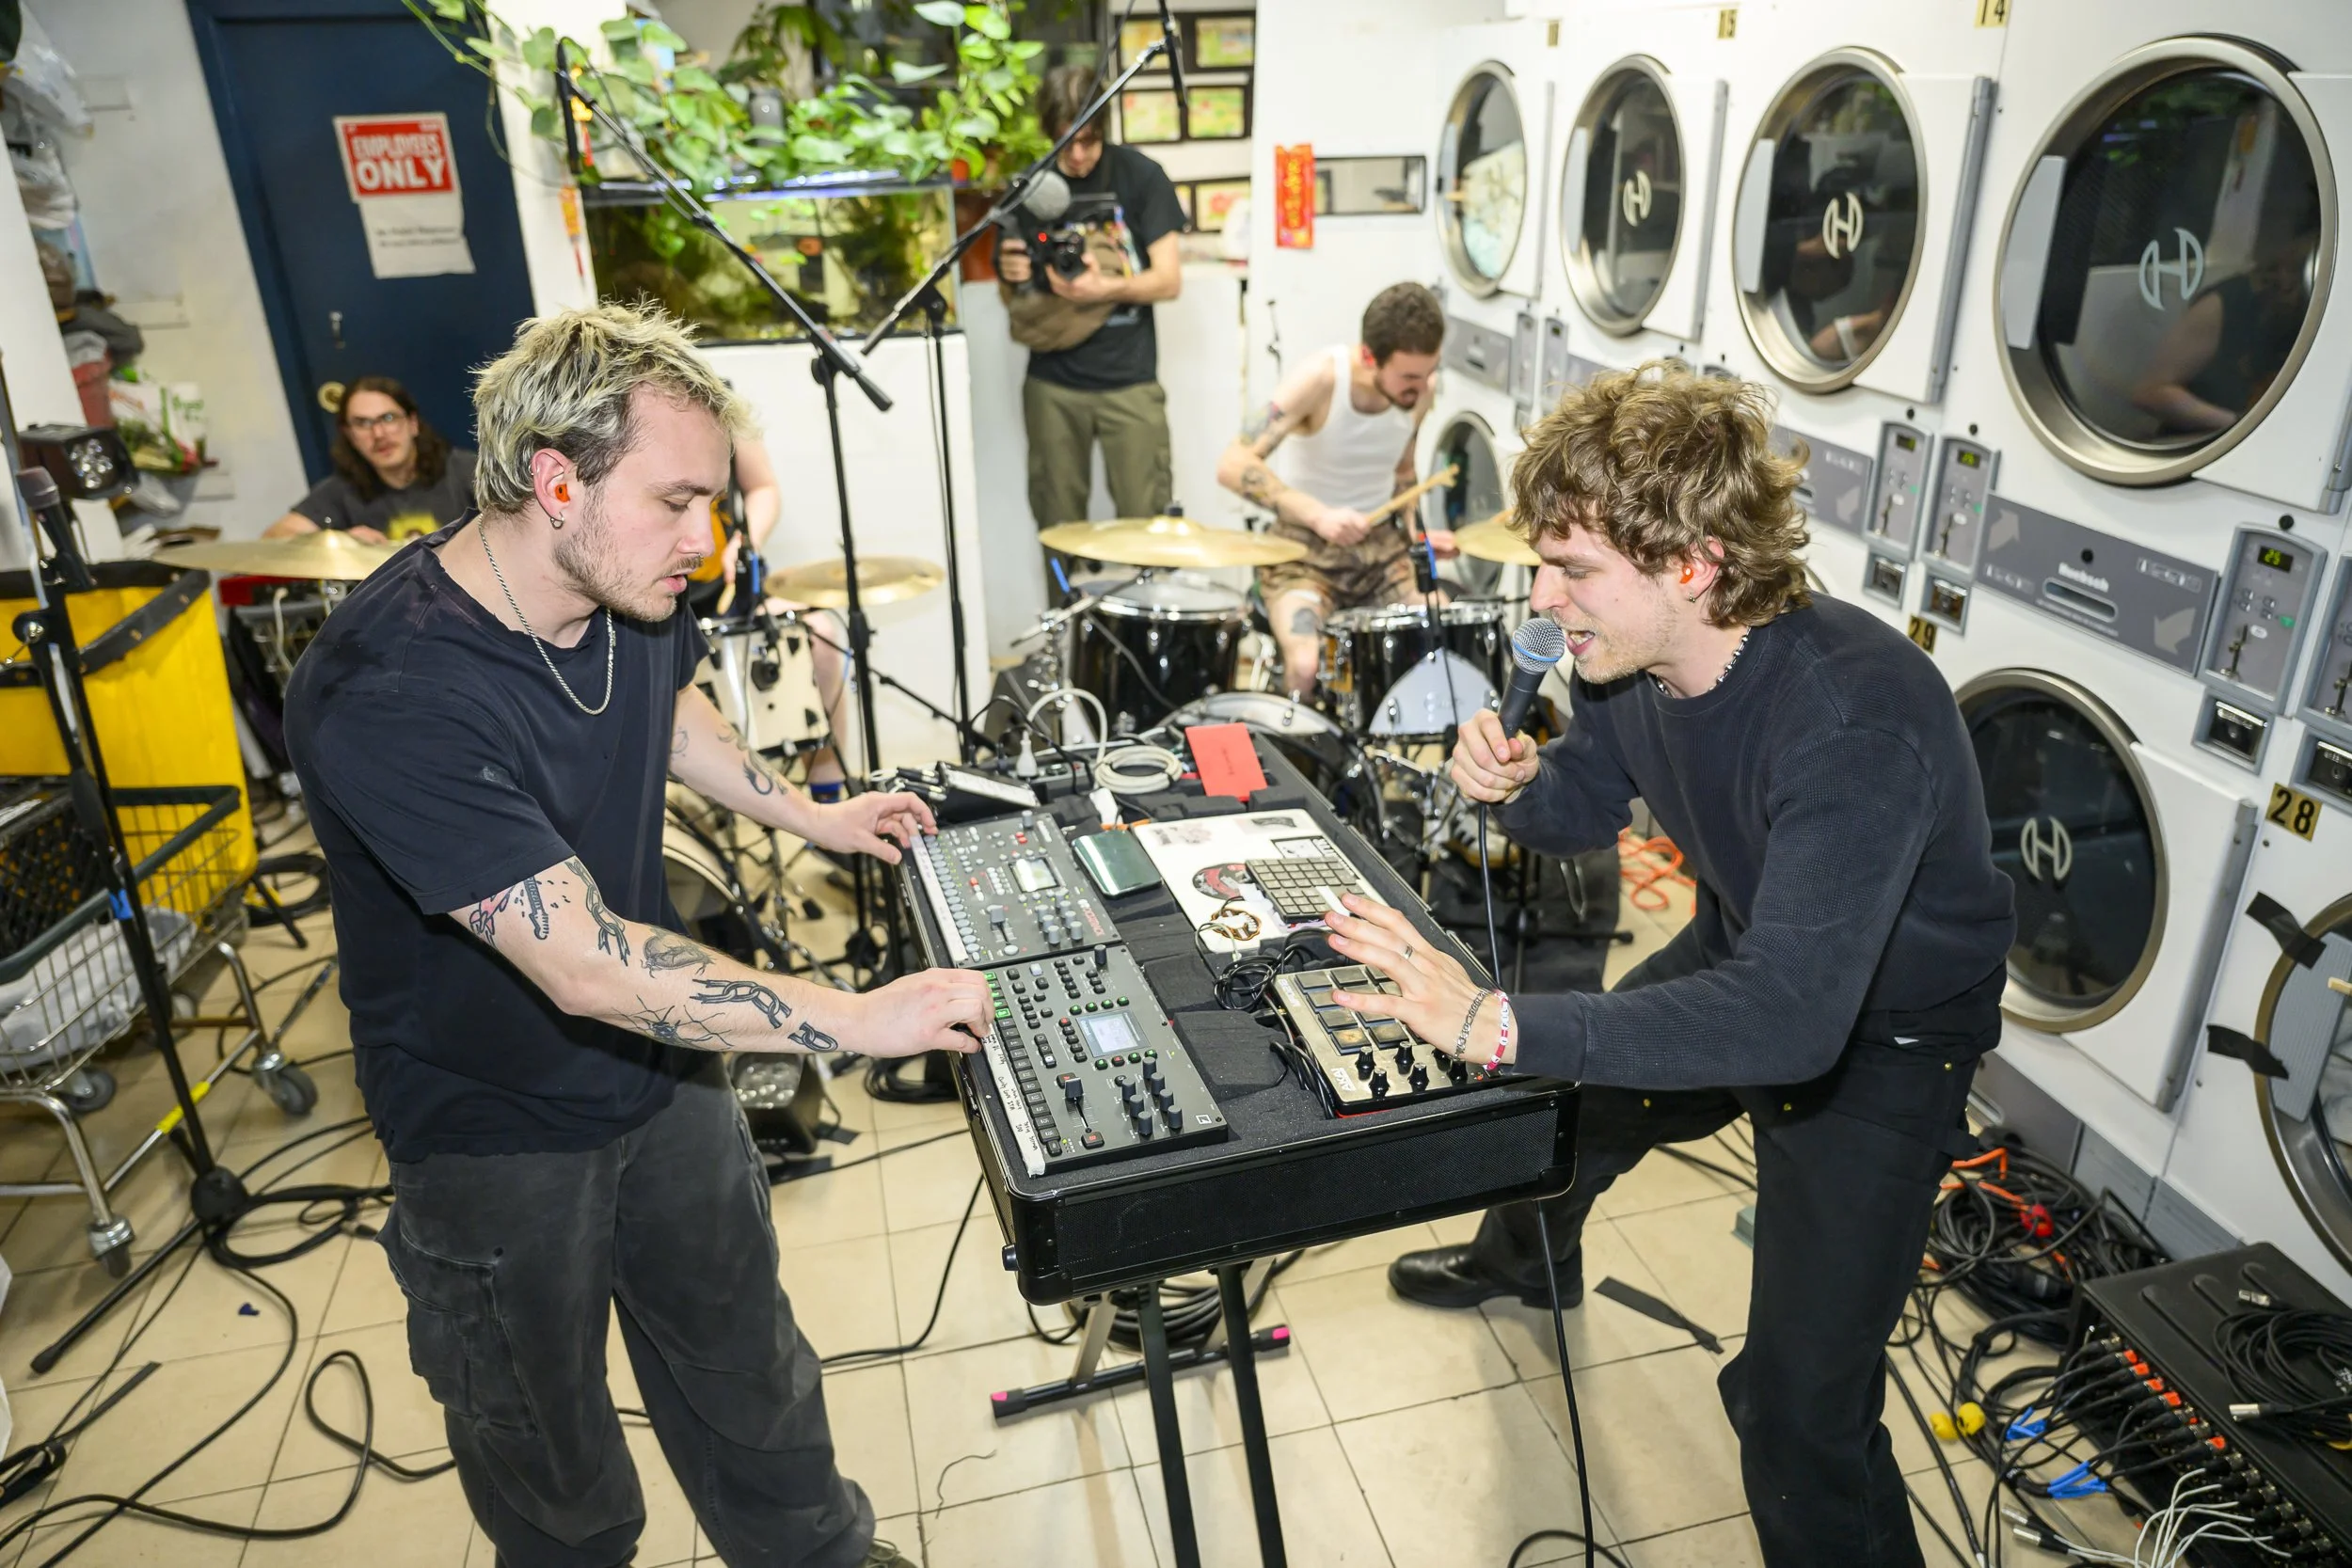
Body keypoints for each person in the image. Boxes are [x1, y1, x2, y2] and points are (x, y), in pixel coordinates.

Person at [283, 303, 988, 1568]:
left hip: (661, 1079)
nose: (704, 540)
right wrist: (848, 1018)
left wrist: (805, 811)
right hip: (488, 1130)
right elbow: (586, 961)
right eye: (674, 501)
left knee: (752, 1378)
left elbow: (670, 710)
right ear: (555, 482)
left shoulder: (628, 585)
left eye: (710, 501)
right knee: (559, 1483)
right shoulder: (388, 687)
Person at [1325, 363, 2015, 1568]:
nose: (1543, 599)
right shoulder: (1641, 664)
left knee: (1795, 1414)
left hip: (1884, 1039)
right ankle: (1528, 1266)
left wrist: (1498, 1024)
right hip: (1754, 945)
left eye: (1572, 570)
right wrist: (1523, 782)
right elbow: (1589, 803)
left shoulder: (1852, 719)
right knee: (1567, 1113)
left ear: (1690, 564)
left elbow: (1796, 1021)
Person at [1216, 282, 1457, 697]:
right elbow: (1233, 464)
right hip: (1303, 554)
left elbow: (1403, 471)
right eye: (1410, 376)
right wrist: (1318, 515)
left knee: (1446, 634)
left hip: (1381, 552)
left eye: (1429, 371)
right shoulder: (1322, 378)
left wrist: (1415, 537)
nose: (1421, 387)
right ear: (1370, 357)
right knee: (1307, 664)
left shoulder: (1419, 389)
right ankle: (1301, 755)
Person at [998, 64, 1185, 552]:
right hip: (1053, 385)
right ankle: (1068, 631)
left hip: (1130, 381)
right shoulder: (1031, 186)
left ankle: (1146, 630)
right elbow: (1013, 304)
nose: (1078, 156)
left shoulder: (1140, 176)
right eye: (1065, 143)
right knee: (1058, 530)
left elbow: (1169, 282)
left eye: (1089, 141)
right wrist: (1010, 274)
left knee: (1147, 529)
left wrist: (1103, 289)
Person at [684, 432, 850, 797]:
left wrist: (746, 540)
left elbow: (762, 486)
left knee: (818, 634)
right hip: (661, 605)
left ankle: (828, 792)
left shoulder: (727, 410)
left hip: (730, 593)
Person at [266, 375, 476, 543]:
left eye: (388, 418)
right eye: (362, 423)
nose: (378, 434)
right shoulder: (342, 489)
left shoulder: (466, 470)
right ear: (349, 435)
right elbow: (274, 538)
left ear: (413, 423)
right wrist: (341, 540)